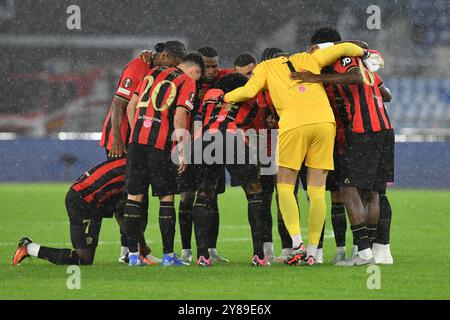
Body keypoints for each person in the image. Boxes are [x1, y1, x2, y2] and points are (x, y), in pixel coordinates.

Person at [207, 42, 372, 266]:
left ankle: (297, 244)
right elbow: (343, 49)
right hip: (324, 123)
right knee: (316, 191)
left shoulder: (265, 67)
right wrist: (364, 52)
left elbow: (247, 91)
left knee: (284, 186)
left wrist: (223, 98)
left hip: (294, 124)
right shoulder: (308, 58)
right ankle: (314, 251)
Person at [292, 29, 392, 266]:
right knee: (373, 192)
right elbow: (386, 95)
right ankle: (373, 252)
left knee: (348, 189)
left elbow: (355, 77)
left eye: (312, 49)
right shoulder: (364, 64)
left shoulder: (342, 59)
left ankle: (364, 253)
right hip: (384, 128)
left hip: (363, 130)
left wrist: (318, 80)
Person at [99, 41, 187, 264]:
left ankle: (135, 251)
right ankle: (130, 250)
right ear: (165, 56)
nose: (176, 69)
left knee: (136, 196)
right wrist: (119, 139)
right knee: (126, 196)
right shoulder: (138, 67)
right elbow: (119, 104)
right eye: (175, 64)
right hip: (122, 139)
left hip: (139, 139)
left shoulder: (154, 67)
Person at [123, 52, 204, 267]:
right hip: (160, 146)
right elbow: (179, 117)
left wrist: (137, 134)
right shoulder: (186, 81)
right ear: (193, 71)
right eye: (198, 75)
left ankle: (132, 256)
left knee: (134, 198)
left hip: (136, 143)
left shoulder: (151, 72)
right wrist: (181, 149)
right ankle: (168, 256)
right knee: (166, 198)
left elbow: (130, 107)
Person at [11, 158, 157, 266]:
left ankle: (130, 255)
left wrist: (139, 245)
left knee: (86, 258)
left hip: (92, 203)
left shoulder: (132, 164)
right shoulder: (135, 177)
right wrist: (141, 245)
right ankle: (29, 247)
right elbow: (128, 215)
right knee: (82, 259)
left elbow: (122, 214)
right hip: (81, 202)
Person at [192, 73, 270, 267]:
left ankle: (202, 255)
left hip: (203, 140)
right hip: (231, 138)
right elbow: (256, 124)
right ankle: (259, 255)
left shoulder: (210, 94)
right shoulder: (250, 97)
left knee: (203, 193)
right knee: (254, 191)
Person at [177, 46, 230, 264]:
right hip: (187, 144)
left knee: (211, 197)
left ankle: (211, 248)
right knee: (186, 196)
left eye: (214, 66)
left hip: (212, 146)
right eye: (206, 66)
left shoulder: (222, 80)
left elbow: (245, 74)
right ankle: (186, 250)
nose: (211, 70)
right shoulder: (188, 81)